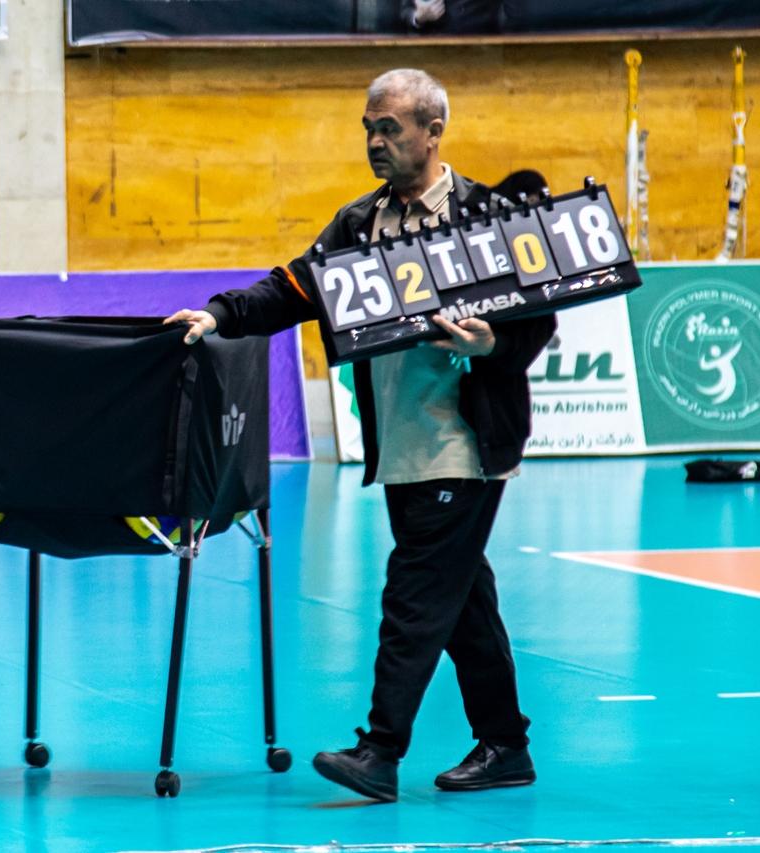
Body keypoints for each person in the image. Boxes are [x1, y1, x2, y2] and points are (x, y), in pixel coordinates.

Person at [164, 68, 555, 803]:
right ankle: (505, 745)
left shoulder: (486, 217)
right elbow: (294, 288)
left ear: (433, 132)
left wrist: (489, 346)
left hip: (464, 443)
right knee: (461, 599)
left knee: (415, 594)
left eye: (390, 129)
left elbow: (536, 318)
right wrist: (219, 314)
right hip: (403, 444)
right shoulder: (358, 224)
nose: (375, 142)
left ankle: (379, 751)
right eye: (369, 129)